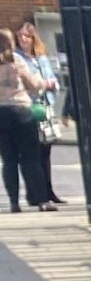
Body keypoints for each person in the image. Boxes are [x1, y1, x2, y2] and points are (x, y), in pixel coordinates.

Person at [12, 21, 63, 210]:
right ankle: (35, 194)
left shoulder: (41, 58)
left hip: (45, 105)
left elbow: (53, 79)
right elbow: (28, 83)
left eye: (26, 36)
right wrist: (42, 84)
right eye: (20, 36)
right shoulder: (17, 58)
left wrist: (51, 84)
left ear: (33, 38)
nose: (23, 39)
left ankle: (49, 191)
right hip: (30, 107)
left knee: (46, 151)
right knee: (32, 152)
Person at [0, 30, 50, 214]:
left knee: (9, 160)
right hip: (21, 111)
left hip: (0, 114)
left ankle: (14, 202)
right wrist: (44, 83)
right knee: (31, 159)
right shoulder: (16, 60)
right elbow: (33, 84)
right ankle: (42, 200)